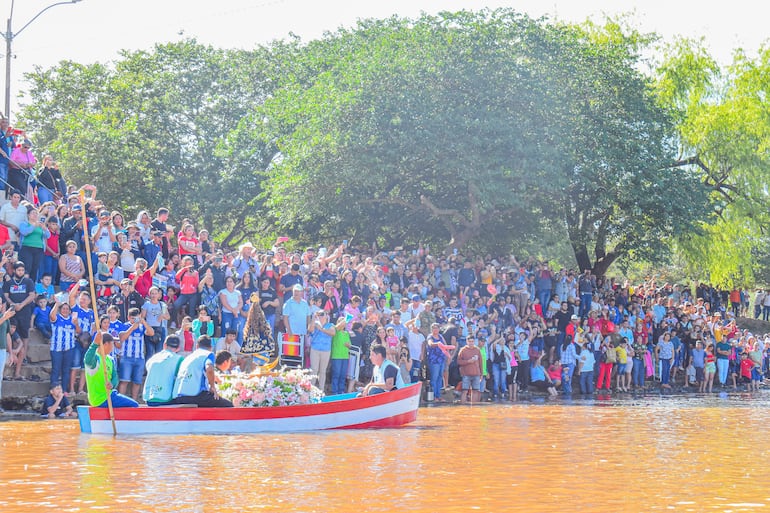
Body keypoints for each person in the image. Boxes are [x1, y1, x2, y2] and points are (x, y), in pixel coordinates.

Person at [172, 335, 233, 407]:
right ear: (211, 348)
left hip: (178, 396)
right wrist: (213, 387)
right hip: (195, 396)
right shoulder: (208, 354)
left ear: (197, 346)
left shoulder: (188, 357)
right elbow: (209, 369)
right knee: (228, 405)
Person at [84, 331, 139, 408]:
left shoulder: (110, 359)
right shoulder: (96, 359)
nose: (113, 346)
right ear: (106, 344)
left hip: (110, 395)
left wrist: (112, 384)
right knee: (134, 405)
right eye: (112, 343)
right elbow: (87, 360)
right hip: (100, 399)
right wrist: (94, 344)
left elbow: (115, 377)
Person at [4, 261, 35, 379]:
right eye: (18, 270)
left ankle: (24, 356)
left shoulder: (28, 282)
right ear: (14, 271)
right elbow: (6, 295)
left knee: (24, 335)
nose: (20, 272)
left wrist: (21, 305)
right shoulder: (9, 283)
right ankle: (11, 354)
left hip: (25, 312)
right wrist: (12, 304)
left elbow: (32, 295)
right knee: (10, 332)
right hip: (12, 313)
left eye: (22, 270)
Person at [118, 307, 155, 400]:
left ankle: (134, 400)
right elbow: (122, 338)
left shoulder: (142, 327)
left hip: (139, 358)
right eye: (133, 318)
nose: (135, 320)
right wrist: (132, 328)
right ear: (129, 317)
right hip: (126, 356)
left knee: (137, 381)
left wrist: (144, 322)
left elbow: (151, 333)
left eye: (137, 318)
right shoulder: (124, 325)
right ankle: (121, 400)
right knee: (124, 381)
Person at [142, 335, 183, 406]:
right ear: (178, 348)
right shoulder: (179, 359)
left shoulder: (152, 359)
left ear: (164, 345)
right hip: (166, 399)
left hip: (149, 399)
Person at [457, 334, 483, 403]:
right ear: (467, 341)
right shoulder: (463, 350)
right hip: (466, 374)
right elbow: (459, 361)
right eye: (469, 341)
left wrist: (481, 373)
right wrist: (468, 361)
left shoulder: (477, 350)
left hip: (476, 373)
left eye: (472, 341)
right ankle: (463, 406)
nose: (471, 343)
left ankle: (474, 407)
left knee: (475, 391)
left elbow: (480, 362)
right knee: (464, 391)